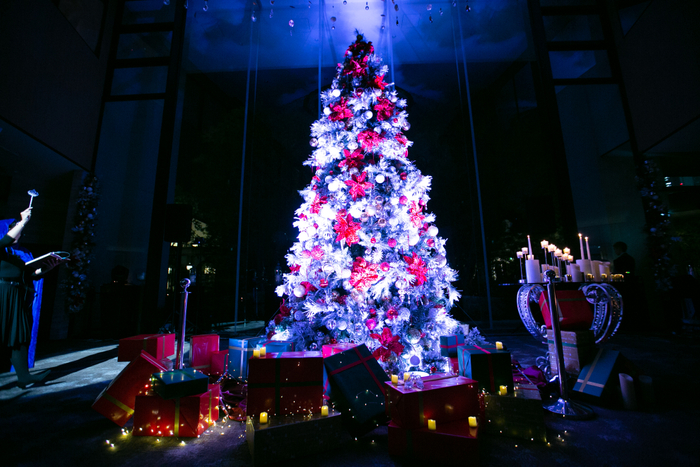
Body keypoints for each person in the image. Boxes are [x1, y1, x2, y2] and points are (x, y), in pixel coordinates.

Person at [1, 207, 68, 389]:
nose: (19, 234)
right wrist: (23, 221)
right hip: (2, 294)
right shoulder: (2, 249)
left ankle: (24, 376)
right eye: (16, 230)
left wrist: (47, 268)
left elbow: (30, 275)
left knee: (19, 335)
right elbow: (5, 240)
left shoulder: (17, 255)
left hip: (16, 297)